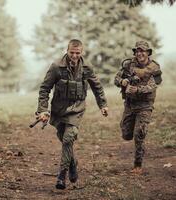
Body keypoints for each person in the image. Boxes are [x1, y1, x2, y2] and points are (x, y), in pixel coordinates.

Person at [36, 39, 108, 189]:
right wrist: (43, 110)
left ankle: (61, 175)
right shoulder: (56, 67)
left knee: (68, 138)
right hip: (59, 110)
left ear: (82, 52)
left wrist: (103, 105)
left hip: (77, 109)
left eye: (78, 53)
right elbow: (44, 89)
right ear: (67, 51)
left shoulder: (87, 67)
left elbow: (97, 87)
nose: (75, 56)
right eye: (72, 52)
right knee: (64, 139)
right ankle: (72, 163)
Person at [114, 41, 162, 175]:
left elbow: (153, 85)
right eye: (137, 51)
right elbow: (116, 78)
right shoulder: (128, 64)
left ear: (148, 53)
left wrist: (137, 90)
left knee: (139, 134)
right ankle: (127, 128)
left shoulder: (154, 67)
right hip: (130, 105)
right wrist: (122, 82)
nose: (140, 53)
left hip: (145, 106)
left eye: (143, 51)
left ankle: (137, 164)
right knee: (126, 134)